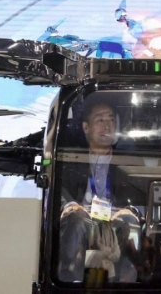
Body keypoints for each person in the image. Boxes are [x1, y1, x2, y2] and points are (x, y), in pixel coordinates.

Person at [58, 96, 138, 284]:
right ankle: (69, 280)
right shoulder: (72, 158)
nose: (107, 125)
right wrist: (70, 205)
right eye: (100, 120)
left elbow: (139, 195)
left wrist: (132, 209)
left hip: (114, 219)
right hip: (83, 217)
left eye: (111, 119)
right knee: (76, 219)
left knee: (127, 221)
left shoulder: (127, 160)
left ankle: (114, 284)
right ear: (86, 128)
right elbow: (58, 186)